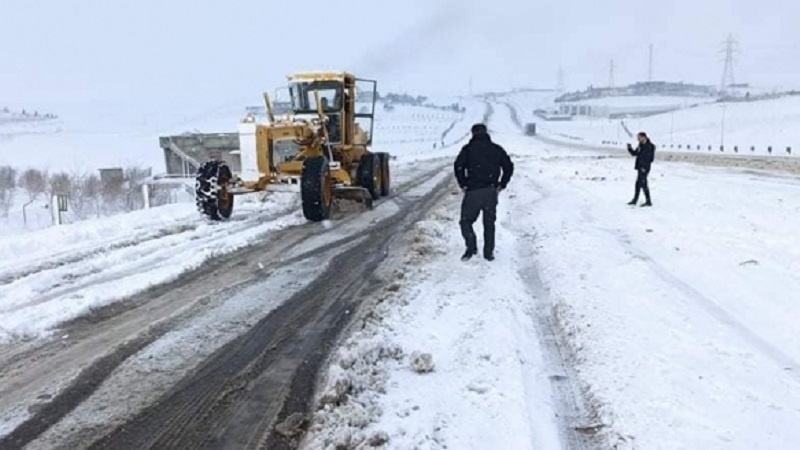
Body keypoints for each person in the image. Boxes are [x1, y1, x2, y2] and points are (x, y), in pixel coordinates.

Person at [453, 123, 514, 261]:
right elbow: (508, 166)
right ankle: (488, 253)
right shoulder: (496, 149)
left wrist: (463, 184)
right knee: (489, 223)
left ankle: (471, 247)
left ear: (473, 133)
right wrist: (502, 184)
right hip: (491, 191)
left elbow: (458, 167)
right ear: (486, 133)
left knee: (466, 221)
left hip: (473, 191)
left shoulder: (468, 150)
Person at [627, 132, 655, 207]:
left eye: (639, 138)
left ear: (644, 137)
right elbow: (635, 153)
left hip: (645, 168)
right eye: (637, 138)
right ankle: (635, 200)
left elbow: (650, 159)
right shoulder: (640, 145)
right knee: (638, 184)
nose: (638, 139)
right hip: (640, 167)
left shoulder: (650, 146)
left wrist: (644, 167)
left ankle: (648, 201)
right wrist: (629, 148)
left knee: (643, 184)